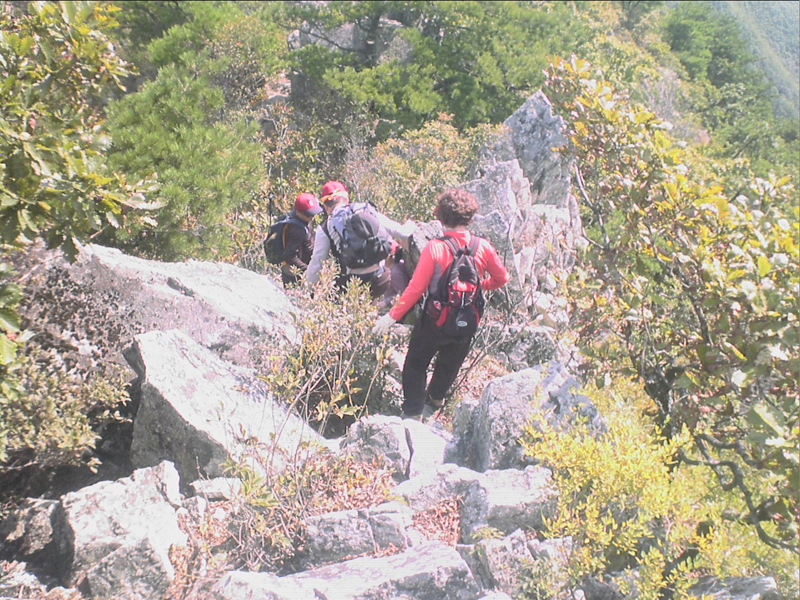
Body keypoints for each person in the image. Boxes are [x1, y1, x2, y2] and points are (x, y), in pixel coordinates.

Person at [372, 188, 510, 420]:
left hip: (434, 320)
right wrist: (479, 287)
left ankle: (414, 412)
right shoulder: (482, 246)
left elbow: (416, 289)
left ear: (442, 217)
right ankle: (436, 400)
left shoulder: (435, 247)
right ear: (469, 217)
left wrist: (391, 316)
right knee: (450, 362)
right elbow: (502, 278)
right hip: (468, 317)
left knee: (416, 363)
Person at [306, 180, 415, 301]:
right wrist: (411, 224)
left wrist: (308, 290)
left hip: (352, 285)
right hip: (381, 280)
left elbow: (317, 262)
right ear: (347, 199)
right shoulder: (366, 209)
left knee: (337, 296)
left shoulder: (325, 227)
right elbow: (402, 232)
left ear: (326, 207)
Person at [279, 192, 323, 287]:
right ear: (298, 212)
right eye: (308, 215)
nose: (311, 217)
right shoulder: (297, 229)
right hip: (294, 276)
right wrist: (308, 270)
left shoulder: (302, 221)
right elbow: (290, 256)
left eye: (313, 213)